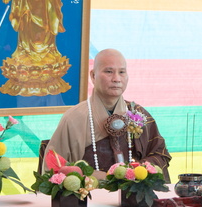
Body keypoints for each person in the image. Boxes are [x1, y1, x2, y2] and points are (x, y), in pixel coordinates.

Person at [46, 48, 171, 180]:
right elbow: (55, 166)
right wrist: (92, 177)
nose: (116, 79)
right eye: (109, 72)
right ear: (93, 76)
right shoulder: (74, 118)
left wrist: (134, 171)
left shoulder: (139, 114)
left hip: (132, 197)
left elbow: (160, 155)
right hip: (89, 197)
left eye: (122, 72)